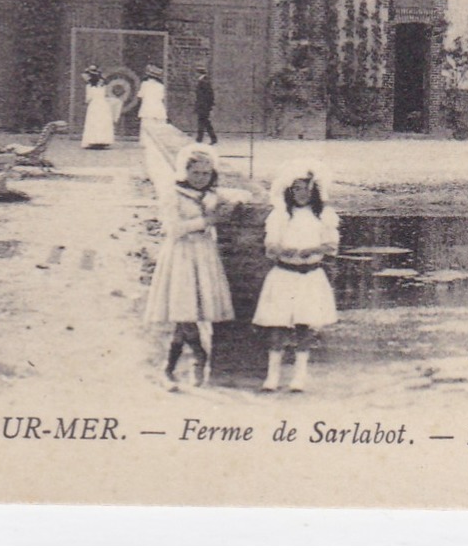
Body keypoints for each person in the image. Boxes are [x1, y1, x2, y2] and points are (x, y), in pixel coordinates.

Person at [143, 144, 235, 389]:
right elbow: (173, 229)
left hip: (203, 255)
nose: (200, 178)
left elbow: (238, 198)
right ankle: (198, 355)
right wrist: (207, 220)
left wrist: (231, 207)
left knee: (188, 312)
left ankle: (170, 368)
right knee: (184, 311)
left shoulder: (211, 195)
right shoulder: (173, 194)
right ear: (184, 172)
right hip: (180, 256)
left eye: (206, 174)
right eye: (196, 173)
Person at [253, 159, 339, 392]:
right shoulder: (280, 215)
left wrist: (314, 250)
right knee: (277, 326)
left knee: (304, 325)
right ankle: (273, 376)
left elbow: (331, 245)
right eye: (297, 189)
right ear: (289, 191)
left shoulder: (323, 215)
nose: (303, 194)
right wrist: (283, 250)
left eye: (307, 189)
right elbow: (270, 246)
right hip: (284, 274)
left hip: (310, 275)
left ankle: (299, 376)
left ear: (315, 191)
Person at [80, 65, 115, 149]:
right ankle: (103, 141)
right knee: (102, 122)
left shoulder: (89, 86)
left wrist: (86, 102)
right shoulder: (103, 84)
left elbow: (88, 98)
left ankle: (93, 140)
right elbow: (106, 94)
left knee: (93, 122)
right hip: (103, 104)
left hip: (94, 104)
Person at [194, 65, 217, 145]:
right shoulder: (202, 81)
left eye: (196, 73)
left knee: (203, 122)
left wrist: (208, 106)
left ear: (199, 73)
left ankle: (200, 139)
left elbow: (209, 95)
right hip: (203, 106)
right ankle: (211, 138)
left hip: (203, 106)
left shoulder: (204, 82)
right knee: (205, 122)